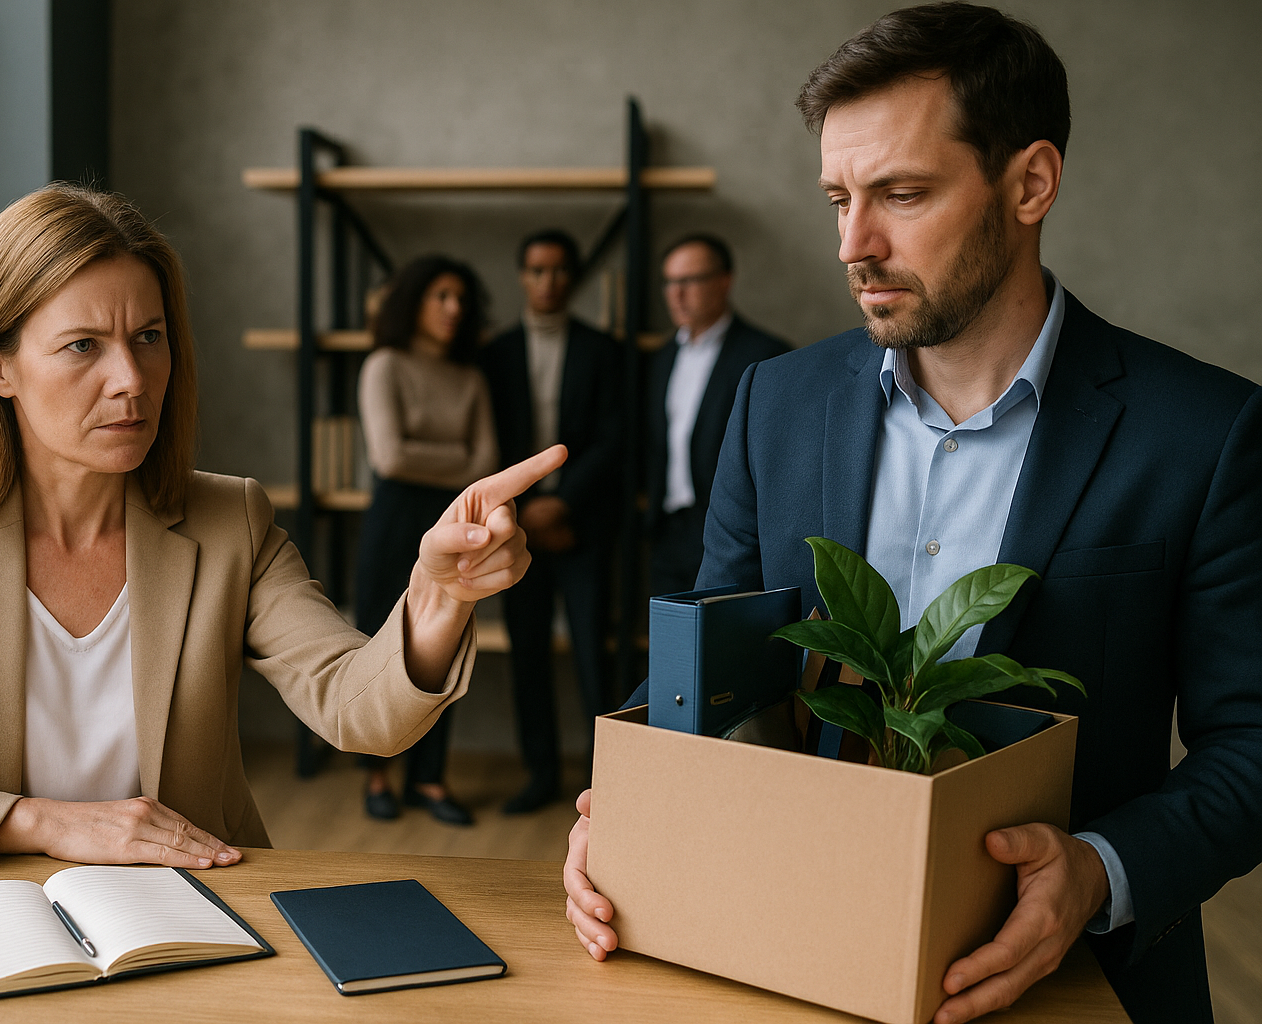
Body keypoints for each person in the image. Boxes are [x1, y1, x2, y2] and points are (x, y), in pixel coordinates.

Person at [563, 6, 1262, 1024]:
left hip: (1079, 984)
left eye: (901, 193)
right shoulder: (775, 402)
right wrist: (621, 805)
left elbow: (1250, 739)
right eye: (838, 198)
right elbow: (708, 659)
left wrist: (1099, 871)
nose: (856, 243)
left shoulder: (1207, 430)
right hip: (779, 950)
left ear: (1031, 183)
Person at [0, 184, 563, 867]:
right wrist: (43, 821)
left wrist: (439, 595)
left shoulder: (229, 522)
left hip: (193, 914)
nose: (132, 379)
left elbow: (360, 711)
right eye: (84, 346)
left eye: (150, 337)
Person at [478, 230, 623, 814]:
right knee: (528, 655)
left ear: (573, 278)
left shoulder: (603, 350)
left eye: (561, 271)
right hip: (513, 530)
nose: (549, 281)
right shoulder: (495, 354)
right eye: (537, 270)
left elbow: (615, 440)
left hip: (581, 525)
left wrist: (561, 504)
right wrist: (524, 514)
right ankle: (540, 774)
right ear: (522, 276)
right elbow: (484, 443)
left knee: (596, 656)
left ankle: (607, 786)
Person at [355, 255, 499, 826]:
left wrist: (434, 459)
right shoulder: (384, 366)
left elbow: (487, 463)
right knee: (377, 644)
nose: (453, 308)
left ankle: (430, 779)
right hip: (393, 523)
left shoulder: (471, 377)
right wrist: (458, 463)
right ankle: (375, 772)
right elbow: (386, 456)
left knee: (444, 645)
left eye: (461, 298)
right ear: (413, 302)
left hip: (450, 527)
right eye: (440, 295)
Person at [646, 234, 789, 597]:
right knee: (669, 642)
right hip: (666, 529)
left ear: (724, 281)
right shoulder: (661, 358)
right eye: (670, 282)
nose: (676, 294)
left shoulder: (766, 357)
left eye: (689, 281)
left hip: (730, 528)